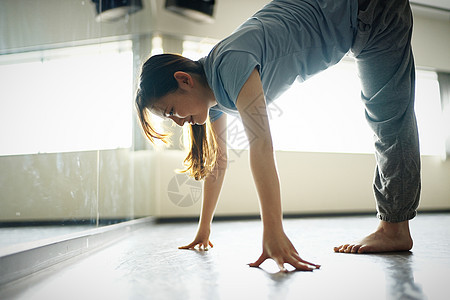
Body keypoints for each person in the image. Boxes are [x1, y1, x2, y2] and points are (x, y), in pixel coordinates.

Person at [135, 0, 420, 272]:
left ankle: (394, 229)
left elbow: (261, 144)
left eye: (171, 111)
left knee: (388, 116)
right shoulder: (214, 96)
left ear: (184, 80)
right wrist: (203, 230)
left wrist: (273, 232)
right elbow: (218, 161)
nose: (179, 123)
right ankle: (394, 227)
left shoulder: (229, 64)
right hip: (355, 25)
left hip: (368, 10)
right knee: (385, 115)